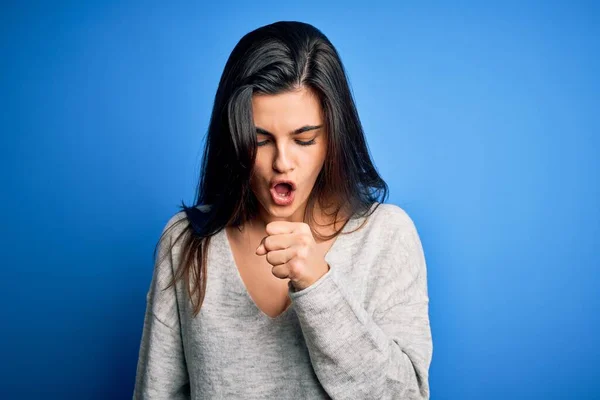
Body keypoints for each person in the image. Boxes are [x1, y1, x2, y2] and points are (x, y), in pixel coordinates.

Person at [133, 20, 433, 399]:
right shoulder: (185, 242)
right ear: (234, 137)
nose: (282, 162)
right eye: (260, 140)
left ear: (333, 138)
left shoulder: (386, 237)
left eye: (304, 139)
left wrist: (318, 285)